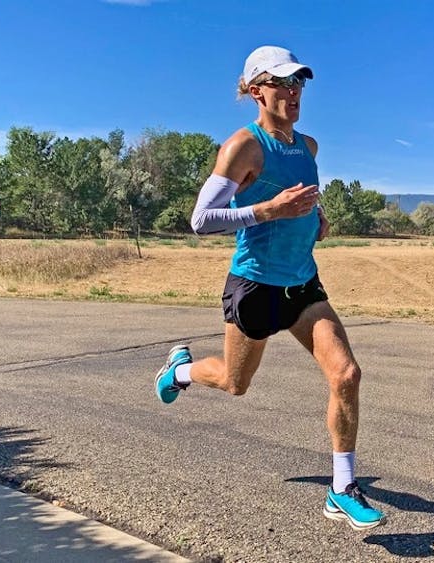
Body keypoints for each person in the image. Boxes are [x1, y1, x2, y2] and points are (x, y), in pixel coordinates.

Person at [152, 45, 385, 530]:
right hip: (254, 286)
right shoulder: (245, 145)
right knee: (235, 384)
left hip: (302, 286)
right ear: (256, 89)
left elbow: (302, 203)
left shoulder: (309, 147)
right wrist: (269, 211)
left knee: (346, 374)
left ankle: (342, 488)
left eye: (299, 82)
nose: (294, 91)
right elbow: (201, 221)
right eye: (283, 82)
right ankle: (181, 372)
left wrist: (315, 219)